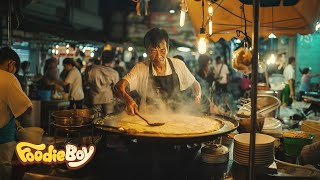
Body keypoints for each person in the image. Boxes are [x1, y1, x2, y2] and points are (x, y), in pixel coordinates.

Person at [115, 27, 201, 115]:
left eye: (162, 50)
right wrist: (128, 100)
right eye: (153, 51)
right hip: (148, 121)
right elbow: (118, 87)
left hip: (176, 119)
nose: (158, 55)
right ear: (147, 51)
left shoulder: (178, 64)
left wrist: (197, 96)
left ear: (168, 47)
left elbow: (195, 84)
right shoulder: (140, 68)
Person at [0, 47, 32, 180]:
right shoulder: (8, 78)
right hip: (3, 135)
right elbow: (27, 108)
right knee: (3, 167)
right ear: (11, 64)